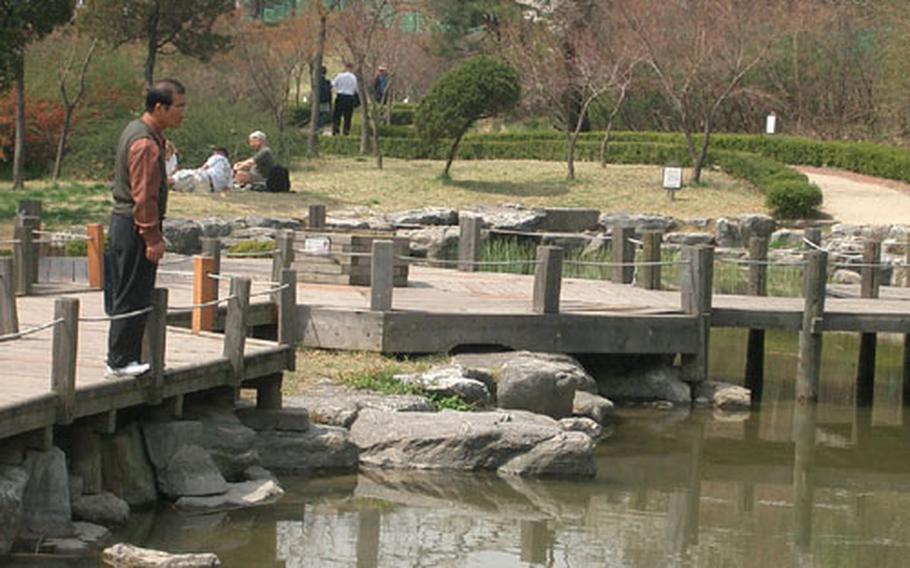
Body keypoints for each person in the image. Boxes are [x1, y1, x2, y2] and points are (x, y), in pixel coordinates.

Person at [106, 78, 186, 377]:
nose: (182, 113)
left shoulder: (146, 134)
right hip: (134, 225)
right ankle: (120, 359)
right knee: (132, 292)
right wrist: (152, 237)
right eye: (178, 106)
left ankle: (126, 356)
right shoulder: (143, 142)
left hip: (128, 222)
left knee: (134, 290)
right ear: (159, 107)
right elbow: (144, 196)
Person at [331, 63, 358, 136]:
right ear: (352, 68)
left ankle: (336, 131)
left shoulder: (340, 76)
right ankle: (346, 132)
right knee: (348, 117)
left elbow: (333, 84)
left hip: (340, 97)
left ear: (345, 67)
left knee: (337, 115)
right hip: (350, 98)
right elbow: (356, 89)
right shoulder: (354, 77)